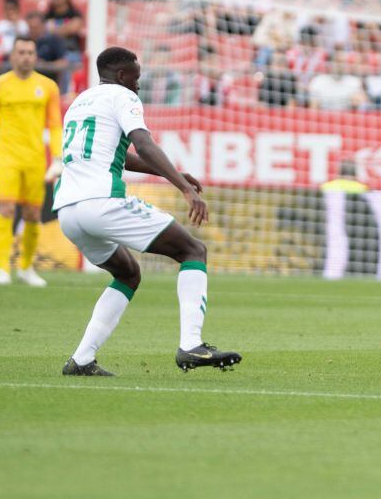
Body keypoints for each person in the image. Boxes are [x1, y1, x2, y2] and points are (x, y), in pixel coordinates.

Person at [55, 47, 242, 376]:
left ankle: (82, 359)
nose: (138, 86)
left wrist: (173, 174)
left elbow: (122, 156)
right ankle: (191, 345)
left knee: (128, 273)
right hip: (103, 201)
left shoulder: (79, 103)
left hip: (68, 210)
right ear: (124, 75)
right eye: (137, 78)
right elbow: (143, 144)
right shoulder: (123, 97)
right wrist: (184, 189)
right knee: (192, 250)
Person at [0, 36, 61, 287]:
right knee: (5, 209)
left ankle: (26, 268)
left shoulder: (48, 87)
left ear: (35, 56)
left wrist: (58, 157)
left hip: (36, 159)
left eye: (30, 52)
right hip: (7, 157)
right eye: (21, 52)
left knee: (32, 214)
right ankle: (3, 269)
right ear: (13, 56)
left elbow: (55, 124)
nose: (26, 56)